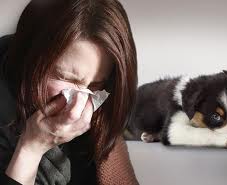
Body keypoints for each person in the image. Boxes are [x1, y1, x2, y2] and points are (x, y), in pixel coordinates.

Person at [0, 0, 139, 184]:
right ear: (29, 60)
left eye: (95, 86)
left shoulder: (104, 110)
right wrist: (31, 148)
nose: (79, 105)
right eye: (67, 78)